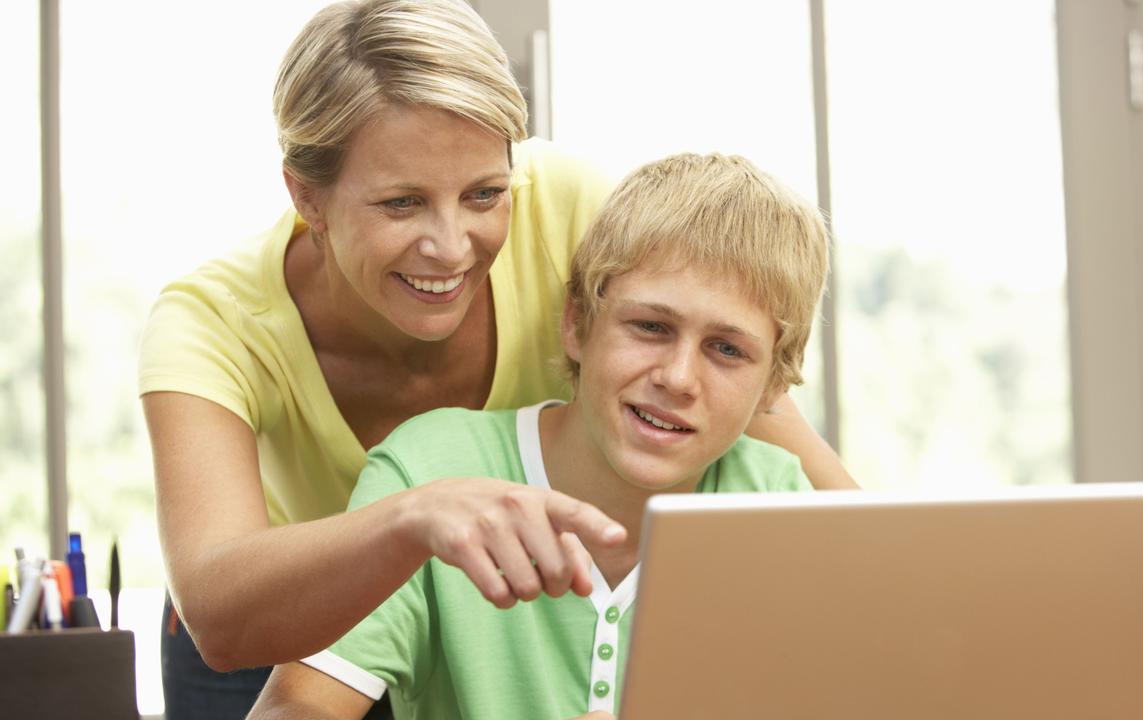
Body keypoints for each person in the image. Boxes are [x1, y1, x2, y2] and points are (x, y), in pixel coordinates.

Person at [139, 0, 854, 716]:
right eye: (400, 203)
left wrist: (891, 562)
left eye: (485, 193)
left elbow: (738, 366)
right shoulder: (211, 323)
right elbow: (221, 617)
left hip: (488, 625)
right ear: (307, 197)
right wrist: (416, 517)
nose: (451, 247)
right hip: (280, 611)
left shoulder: (566, 206)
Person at [245, 151, 830, 720]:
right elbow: (292, 707)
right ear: (576, 324)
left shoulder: (783, 505)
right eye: (650, 327)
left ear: (776, 379)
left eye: (727, 349)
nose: (677, 378)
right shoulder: (430, 468)